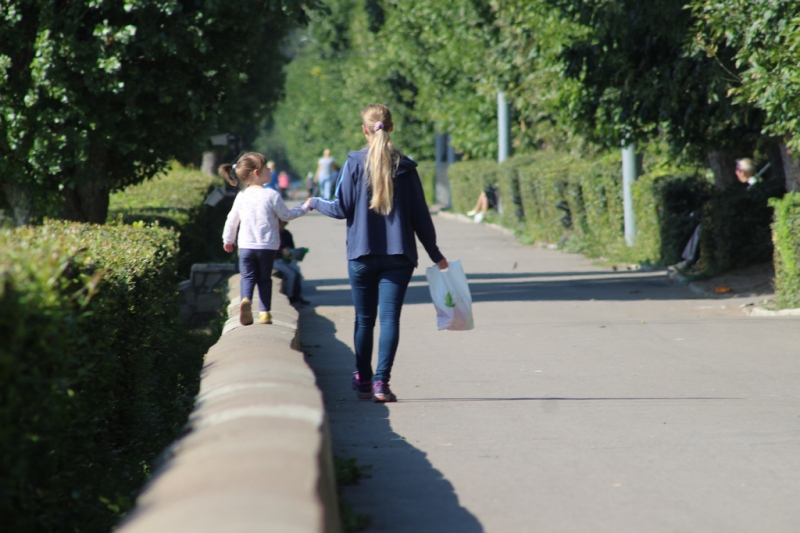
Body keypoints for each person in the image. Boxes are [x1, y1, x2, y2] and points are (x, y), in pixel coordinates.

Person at [305, 104, 448, 403]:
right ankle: (382, 383)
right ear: (391, 128)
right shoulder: (406, 168)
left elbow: (341, 208)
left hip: (361, 255)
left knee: (364, 320)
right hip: (399, 256)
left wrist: (314, 202)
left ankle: (364, 381)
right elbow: (421, 216)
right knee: (390, 320)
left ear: (364, 130)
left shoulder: (354, 163)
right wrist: (436, 255)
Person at [221, 152, 310, 326]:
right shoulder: (271, 195)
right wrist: (305, 207)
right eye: (266, 168)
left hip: (246, 246)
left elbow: (232, 220)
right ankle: (264, 313)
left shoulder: (242, 196)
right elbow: (287, 215)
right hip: (267, 247)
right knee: (264, 280)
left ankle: (245, 299)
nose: (270, 170)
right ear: (256, 173)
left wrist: (228, 240)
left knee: (247, 277)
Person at [672, 157, 759, 272]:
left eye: (738, 170)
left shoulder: (752, 184)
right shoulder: (743, 186)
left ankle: (690, 261)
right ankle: (691, 260)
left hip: (740, 222)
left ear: (743, 172)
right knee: (700, 227)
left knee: (703, 228)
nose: (736, 173)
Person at [274, 220, 310, 306]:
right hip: (275, 260)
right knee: (291, 274)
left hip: (285, 260)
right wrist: (281, 250)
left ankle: (297, 296)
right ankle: (290, 297)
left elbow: (291, 248)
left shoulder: (287, 234)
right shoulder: (273, 233)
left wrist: (295, 253)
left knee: (297, 273)